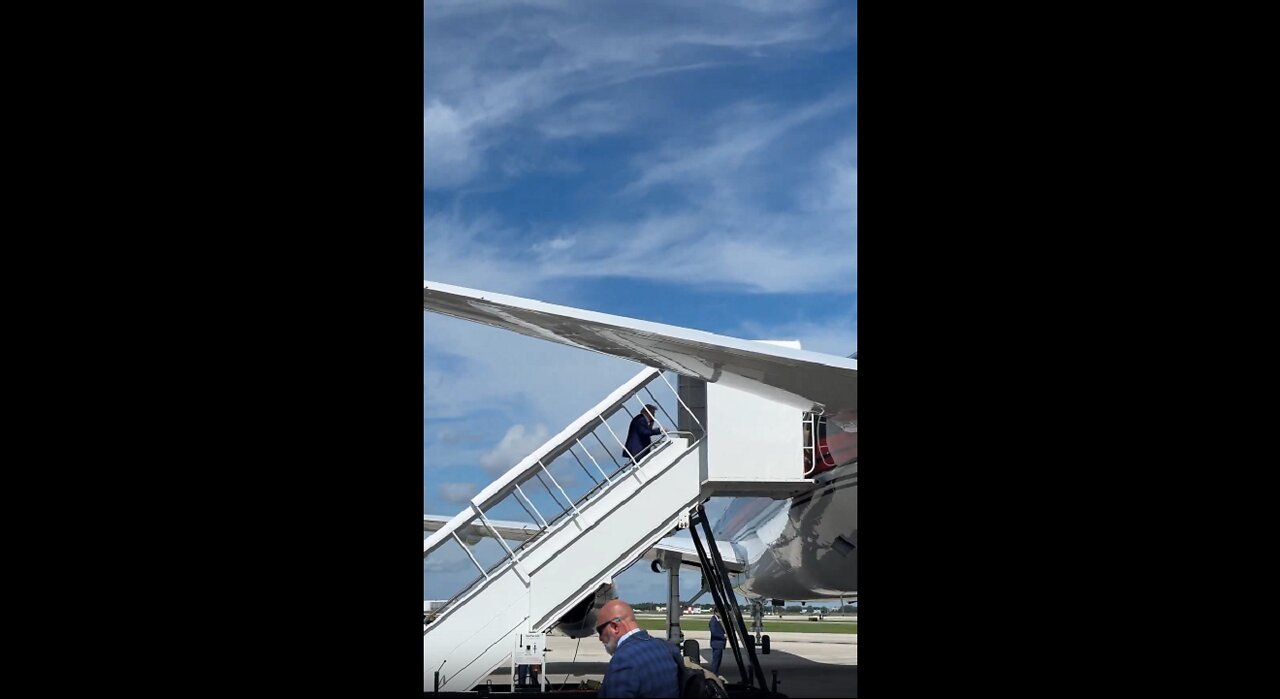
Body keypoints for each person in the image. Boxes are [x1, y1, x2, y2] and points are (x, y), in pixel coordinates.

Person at [595, 599, 680, 698]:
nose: (600, 638)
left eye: (600, 631)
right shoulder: (665, 646)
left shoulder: (622, 660)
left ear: (615, 627)